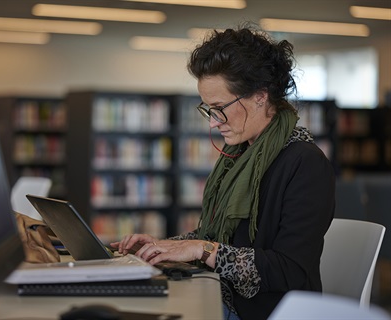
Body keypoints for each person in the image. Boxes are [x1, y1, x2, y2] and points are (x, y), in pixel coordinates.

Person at [110, 23, 335, 320]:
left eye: (220, 108)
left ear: (260, 96)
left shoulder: (305, 163)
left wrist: (201, 250)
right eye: (208, 110)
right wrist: (163, 245)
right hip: (219, 295)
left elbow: (289, 270)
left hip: (265, 311)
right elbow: (223, 239)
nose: (213, 123)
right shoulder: (240, 156)